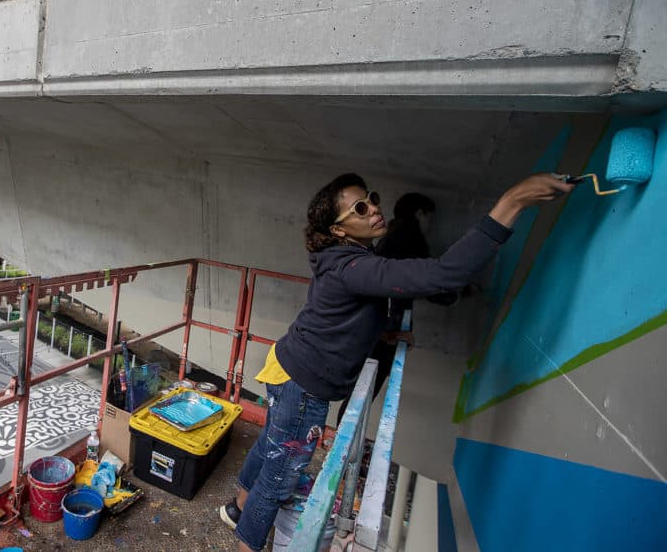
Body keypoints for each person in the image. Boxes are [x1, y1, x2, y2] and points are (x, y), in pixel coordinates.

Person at [220, 172, 574, 552]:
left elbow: (348, 313)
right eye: (359, 208)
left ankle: (237, 509)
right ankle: (246, 542)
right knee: (279, 476)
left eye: (371, 198)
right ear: (338, 230)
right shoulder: (353, 266)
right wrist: (512, 202)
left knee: (270, 450)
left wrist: (383, 333)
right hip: (302, 385)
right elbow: (444, 274)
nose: (373, 208)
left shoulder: (349, 258)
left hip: (288, 366)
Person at [334, 191, 454, 424]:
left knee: (362, 386)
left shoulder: (392, 236)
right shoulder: (410, 238)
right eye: (430, 217)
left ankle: (341, 440)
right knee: (366, 387)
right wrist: (456, 295)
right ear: (420, 213)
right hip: (384, 327)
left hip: (376, 324)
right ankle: (342, 441)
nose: (430, 225)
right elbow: (424, 281)